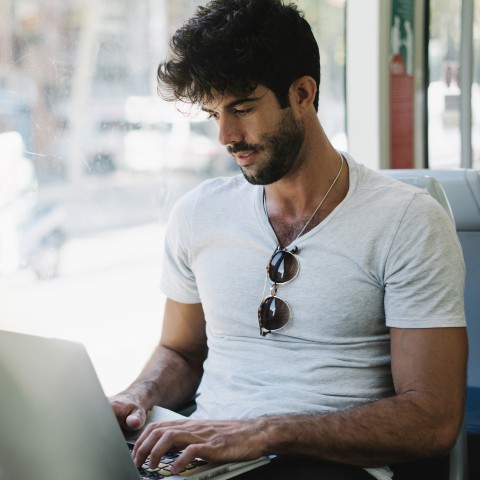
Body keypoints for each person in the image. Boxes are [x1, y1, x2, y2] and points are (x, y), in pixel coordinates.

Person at [109, 1, 468, 479]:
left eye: (242, 108)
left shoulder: (408, 222)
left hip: (324, 466)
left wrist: (262, 432)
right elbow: (181, 352)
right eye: (213, 113)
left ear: (302, 93)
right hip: (205, 460)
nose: (226, 136)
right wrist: (139, 396)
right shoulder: (199, 213)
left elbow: (433, 419)